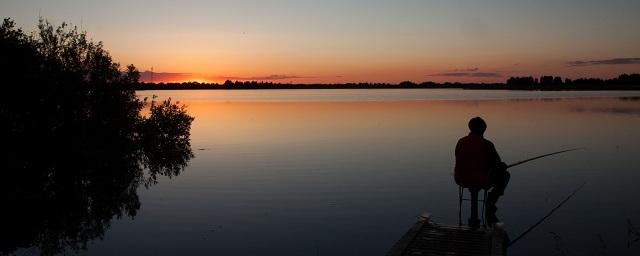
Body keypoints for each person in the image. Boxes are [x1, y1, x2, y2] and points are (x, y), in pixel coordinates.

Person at [454, 117, 510, 227]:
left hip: (460, 179)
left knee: (481, 175)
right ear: (484, 129)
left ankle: (477, 218)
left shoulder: (461, 141)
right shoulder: (487, 144)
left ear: (470, 128)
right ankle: (491, 203)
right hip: (481, 180)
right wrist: (503, 166)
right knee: (505, 175)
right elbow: (497, 165)